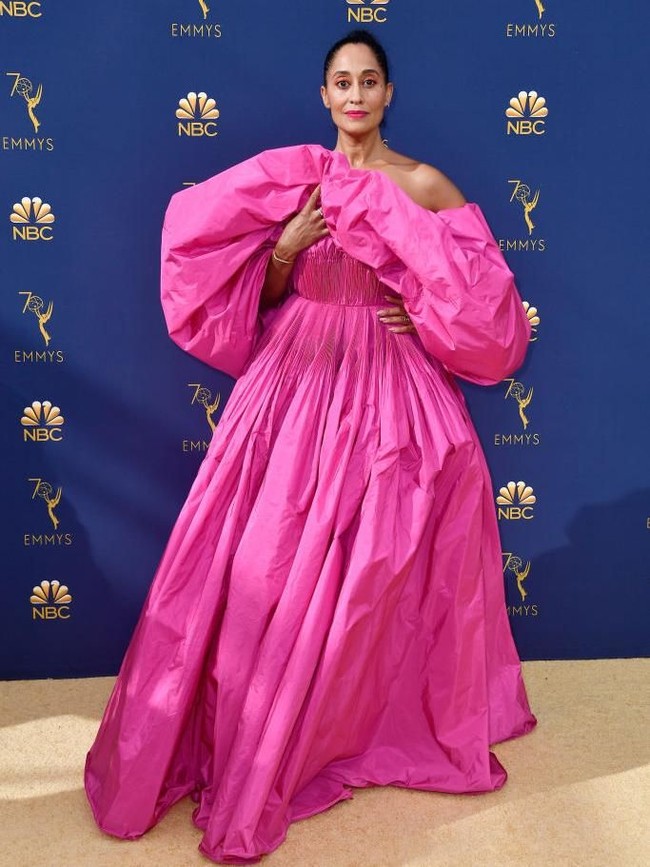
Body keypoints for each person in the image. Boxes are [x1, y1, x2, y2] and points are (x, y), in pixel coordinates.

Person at [84, 29, 537, 865]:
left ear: (389, 94)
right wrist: (289, 244)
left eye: (369, 80)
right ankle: (253, 725)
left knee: (376, 569)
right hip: (291, 377)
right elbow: (255, 293)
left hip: (390, 388)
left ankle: (347, 727)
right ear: (324, 96)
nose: (356, 94)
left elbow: (484, 304)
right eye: (341, 82)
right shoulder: (292, 178)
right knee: (263, 557)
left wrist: (426, 317)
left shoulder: (424, 183)